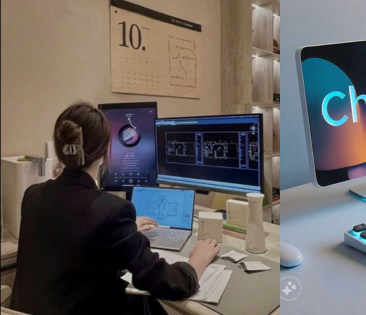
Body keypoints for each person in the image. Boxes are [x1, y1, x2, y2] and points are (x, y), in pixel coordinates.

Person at [11, 102, 220, 315]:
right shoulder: (111, 211)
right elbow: (165, 282)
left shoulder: (33, 195)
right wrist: (197, 261)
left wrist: (125, 231)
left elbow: (72, 251)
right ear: (104, 151)